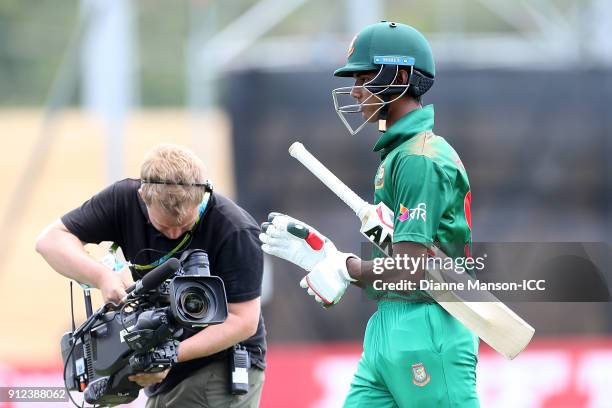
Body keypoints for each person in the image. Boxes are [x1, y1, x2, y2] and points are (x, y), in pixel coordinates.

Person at [260, 22, 478, 407]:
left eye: (364, 76)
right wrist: (333, 259)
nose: (356, 89)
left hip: (429, 324)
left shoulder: (418, 159)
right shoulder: (399, 154)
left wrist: (348, 268)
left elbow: (414, 267)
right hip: (389, 325)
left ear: (402, 76)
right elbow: (401, 258)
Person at [36, 144, 266, 408]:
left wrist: (168, 355)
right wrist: (102, 276)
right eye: (164, 226)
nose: (173, 235)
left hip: (220, 365)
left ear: (202, 194)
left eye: (185, 226)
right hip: (163, 367)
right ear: (143, 196)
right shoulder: (123, 200)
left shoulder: (236, 230)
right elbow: (50, 241)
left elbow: (243, 320)